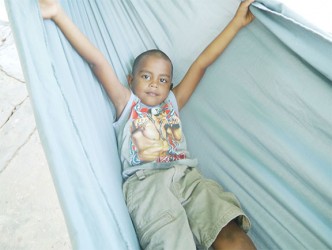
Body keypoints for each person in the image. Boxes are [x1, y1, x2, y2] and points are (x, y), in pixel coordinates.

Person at [39, 0, 256, 249]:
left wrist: (237, 23)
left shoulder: (173, 103)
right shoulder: (127, 104)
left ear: (170, 87)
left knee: (232, 235)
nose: (154, 83)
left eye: (163, 79)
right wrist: (58, 15)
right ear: (131, 80)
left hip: (186, 178)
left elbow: (202, 63)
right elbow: (97, 61)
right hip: (148, 185)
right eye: (146, 76)